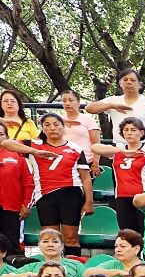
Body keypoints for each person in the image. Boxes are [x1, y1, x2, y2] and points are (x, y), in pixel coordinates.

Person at [2, 113, 93, 256]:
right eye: (47, 125)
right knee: (50, 238)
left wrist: (89, 202)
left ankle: (73, 269)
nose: (52, 128)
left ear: (63, 127)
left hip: (71, 193)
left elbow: (86, 178)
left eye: (56, 124)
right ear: (42, 128)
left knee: (70, 237)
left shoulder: (75, 148)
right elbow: (7, 143)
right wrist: (35, 152)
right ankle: (52, 268)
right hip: (45, 195)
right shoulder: (35, 144)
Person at [92, 118, 145, 234]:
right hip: (122, 197)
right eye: (126, 130)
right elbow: (95, 147)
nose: (129, 133)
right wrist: (121, 151)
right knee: (128, 234)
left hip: (144, 195)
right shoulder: (117, 148)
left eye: (133, 130)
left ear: (142, 132)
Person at [86, 69, 145, 140]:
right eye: (125, 80)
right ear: (120, 83)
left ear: (140, 84)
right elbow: (89, 108)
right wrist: (112, 106)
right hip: (120, 150)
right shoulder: (114, 100)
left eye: (133, 80)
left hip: (144, 150)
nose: (129, 82)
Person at [0, 137, 33, 260]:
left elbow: (29, 182)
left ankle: (16, 272)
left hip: (12, 208)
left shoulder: (18, 156)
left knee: (13, 243)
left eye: (0, 133)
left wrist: (26, 204)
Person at [55, 89, 100, 169]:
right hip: (63, 160)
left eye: (71, 100)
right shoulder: (58, 120)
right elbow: (42, 120)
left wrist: (95, 162)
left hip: (85, 161)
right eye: (64, 101)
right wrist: (60, 120)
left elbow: (96, 143)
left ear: (78, 102)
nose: (68, 103)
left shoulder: (88, 119)